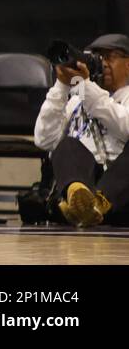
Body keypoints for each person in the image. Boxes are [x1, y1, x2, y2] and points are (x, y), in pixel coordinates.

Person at [34, 34, 129, 227]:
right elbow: (44, 140)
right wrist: (62, 86)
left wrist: (85, 86)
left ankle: (95, 206)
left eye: (109, 57)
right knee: (67, 144)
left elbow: (125, 127)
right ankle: (80, 202)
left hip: (118, 192)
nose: (102, 64)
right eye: (96, 57)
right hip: (83, 181)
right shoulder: (78, 98)